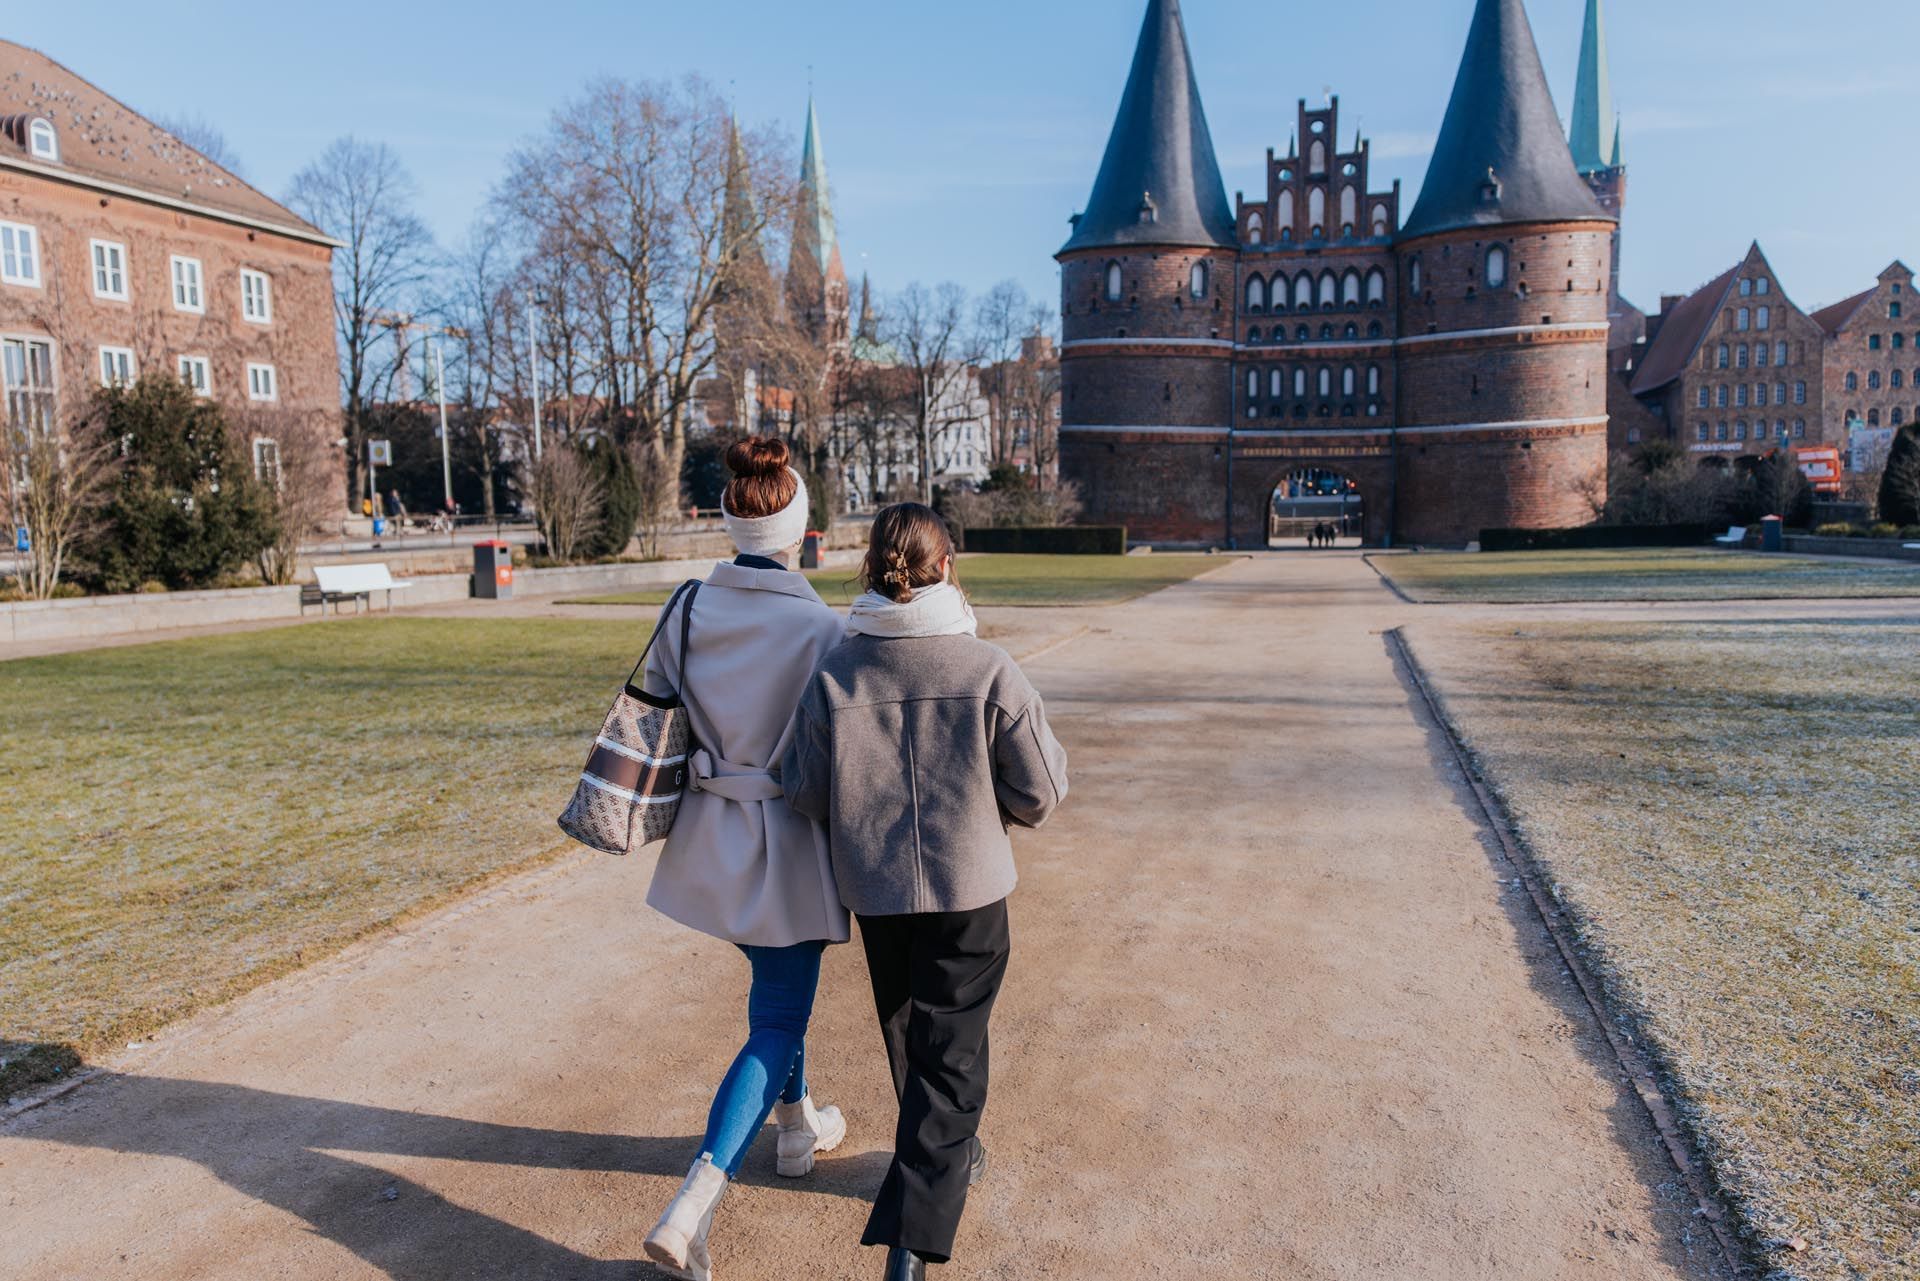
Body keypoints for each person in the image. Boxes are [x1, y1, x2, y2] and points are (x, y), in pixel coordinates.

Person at [782, 503, 1069, 1279]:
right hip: (969, 886)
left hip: (878, 889)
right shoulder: (987, 670)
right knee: (953, 1055)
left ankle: (949, 1151)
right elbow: (1041, 792)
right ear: (946, 567)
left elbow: (802, 787)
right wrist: (986, 808)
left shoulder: (836, 673)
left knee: (911, 1031)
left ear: (874, 569)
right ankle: (910, 1241)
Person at [640, 438, 852, 1281]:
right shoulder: (821, 627)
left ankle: (796, 1124)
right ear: (801, 532)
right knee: (776, 1017)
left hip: (707, 840)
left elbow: (662, 704)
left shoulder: (686, 608)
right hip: (788, 848)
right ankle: (692, 1202)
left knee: (774, 992)